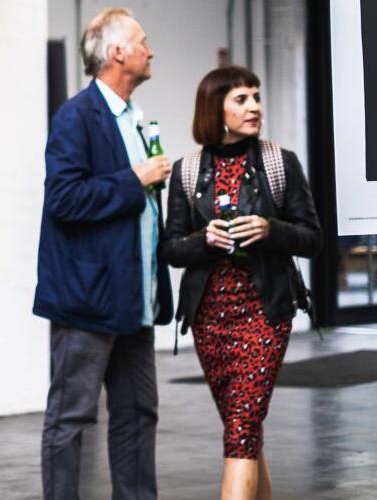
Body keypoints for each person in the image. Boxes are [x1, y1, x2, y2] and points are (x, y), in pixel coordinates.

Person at [160, 66, 321, 500]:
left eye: (256, 97)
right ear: (216, 108)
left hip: (265, 315)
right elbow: (171, 248)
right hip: (209, 319)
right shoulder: (188, 171)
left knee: (243, 425)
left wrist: (271, 230)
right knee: (242, 428)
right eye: (241, 99)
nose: (254, 107)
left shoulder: (278, 162)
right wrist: (204, 240)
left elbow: (313, 239)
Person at [33, 8, 172, 500]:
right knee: (71, 416)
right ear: (117, 53)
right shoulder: (76, 117)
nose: (150, 49)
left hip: (134, 299)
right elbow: (64, 200)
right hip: (87, 300)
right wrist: (135, 179)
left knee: (138, 413)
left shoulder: (135, 120)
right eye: (142, 41)